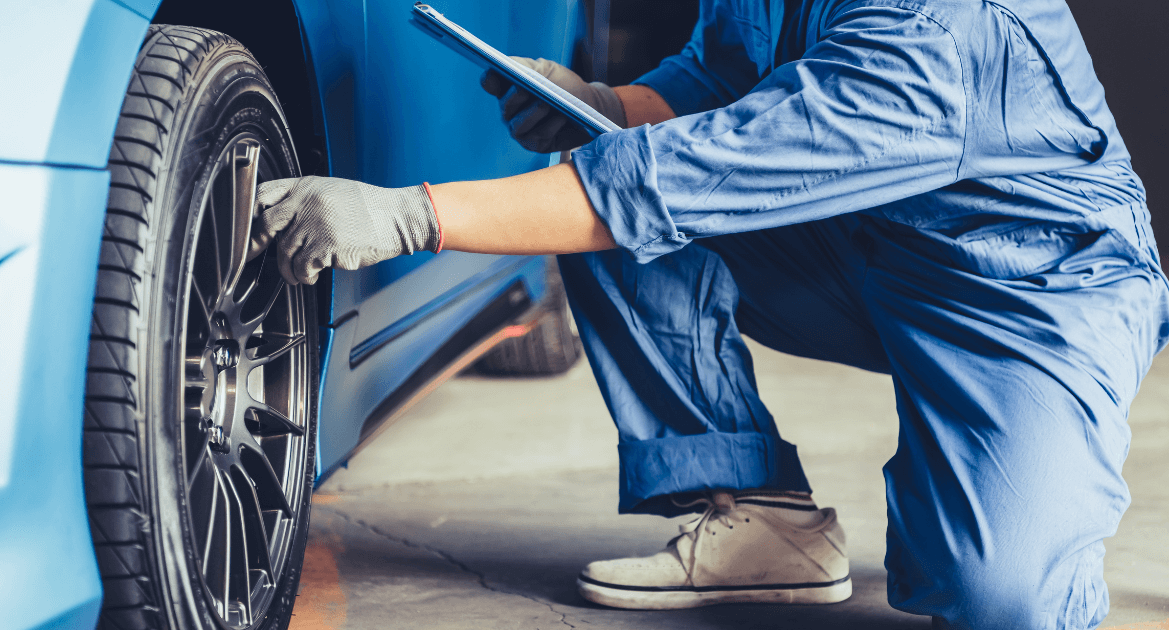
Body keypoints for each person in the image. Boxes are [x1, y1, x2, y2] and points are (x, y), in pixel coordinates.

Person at [250, 0, 1169, 627]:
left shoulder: (938, 28)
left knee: (1001, 596)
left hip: (1022, 290)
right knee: (617, 170)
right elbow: (716, 87)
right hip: (853, 243)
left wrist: (412, 215)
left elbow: (684, 178)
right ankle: (763, 520)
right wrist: (606, 106)